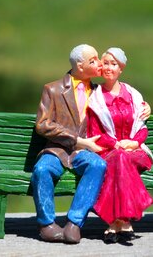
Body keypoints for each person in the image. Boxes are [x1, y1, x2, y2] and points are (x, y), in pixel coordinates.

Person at [31, 44, 107, 244]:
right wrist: (76, 140)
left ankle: (75, 222)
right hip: (58, 149)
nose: (99, 64)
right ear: (80, 66)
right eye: (94, 61)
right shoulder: (53, 89)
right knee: (42, 170)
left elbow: (123, 100)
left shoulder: (101, 92)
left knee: (98, 165)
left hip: (84, 152)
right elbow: (43, 124)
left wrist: (144, 105)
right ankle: (46, 224)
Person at [86, 47, 153, 245]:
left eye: (113, 64)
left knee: (122, 159)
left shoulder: (133, 95)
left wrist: (135, 142)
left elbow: (142, 127)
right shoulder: (96, 98)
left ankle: (113, 222)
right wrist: (116, 143)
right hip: (109, 151)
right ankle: (124, 222)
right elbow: (94, 133)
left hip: (135, 152)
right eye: (106, 63)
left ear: (121, 69)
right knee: (119, 158)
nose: (109, 67)